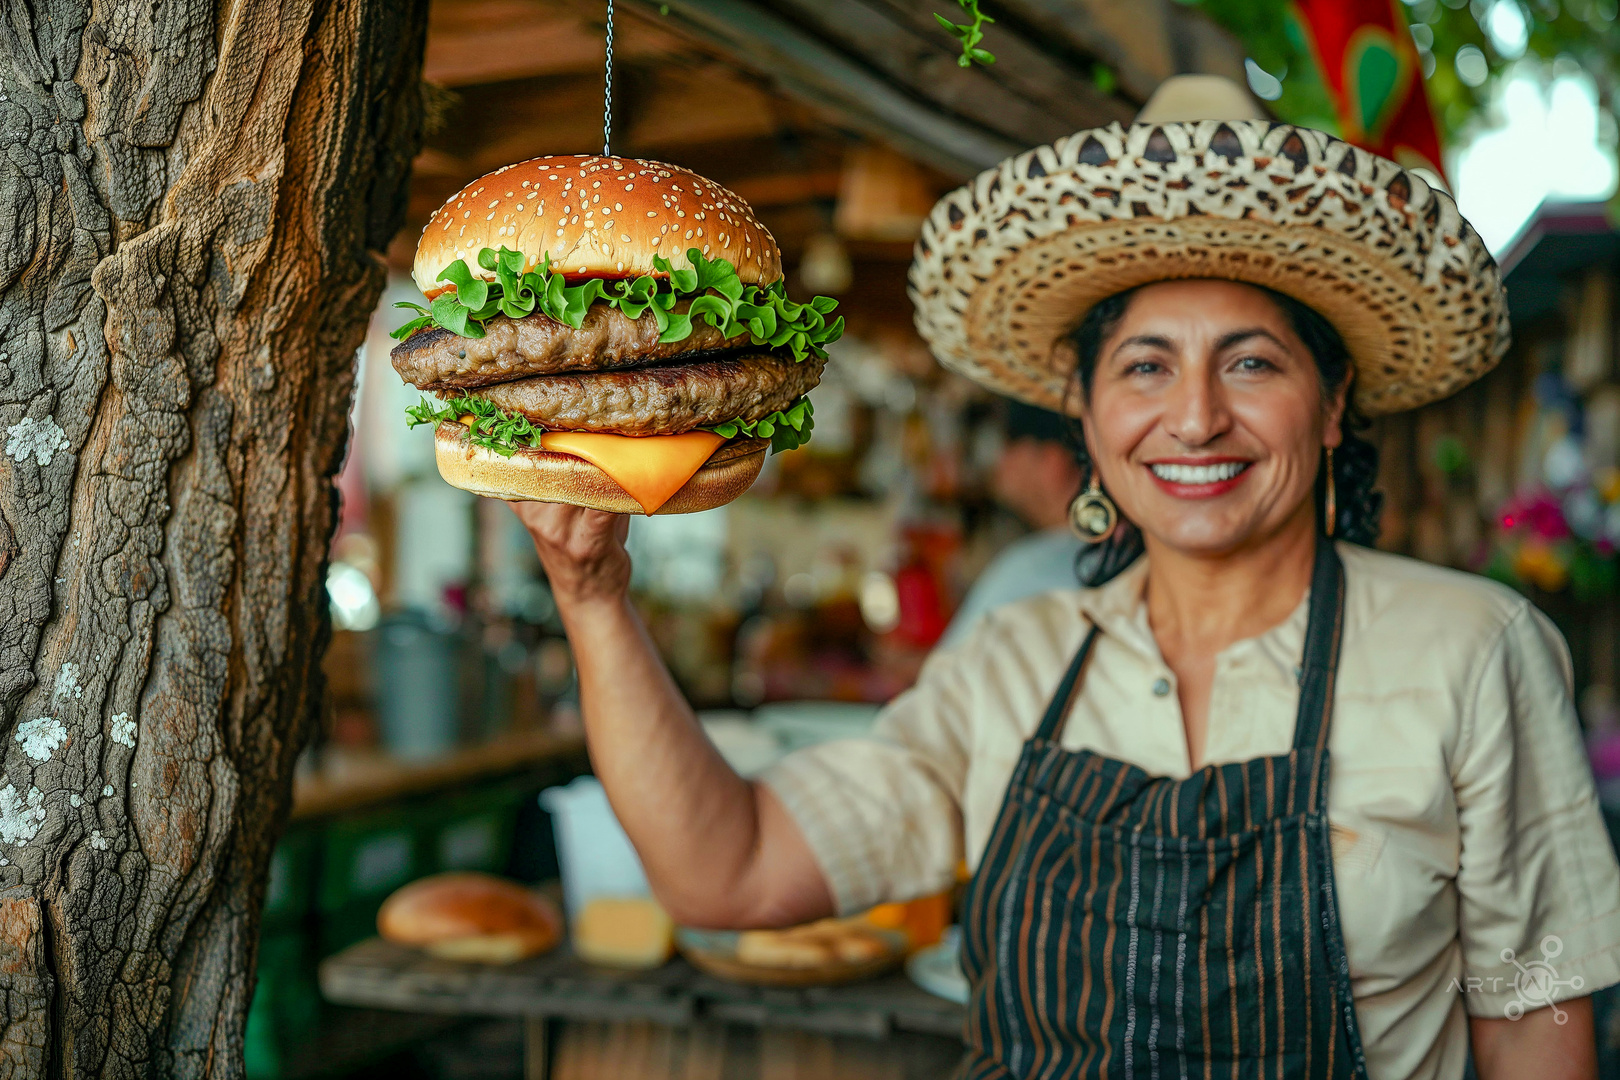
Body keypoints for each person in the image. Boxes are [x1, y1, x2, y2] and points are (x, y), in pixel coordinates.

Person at [510, 76, 1620, 1079]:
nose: (1194, 416)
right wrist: (593, 592)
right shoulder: (1012, 662)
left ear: (1333, 408)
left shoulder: (1475, 649)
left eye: (1251, 361)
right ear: (1087, 416)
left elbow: (1531, 1020)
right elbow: (731, 874)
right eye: (1145, 365)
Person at [939, 402, 1085, 648]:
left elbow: (948, 675)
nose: (999, 462)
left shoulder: (1036, 568)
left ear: (1052, 462)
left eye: (1008, 445)